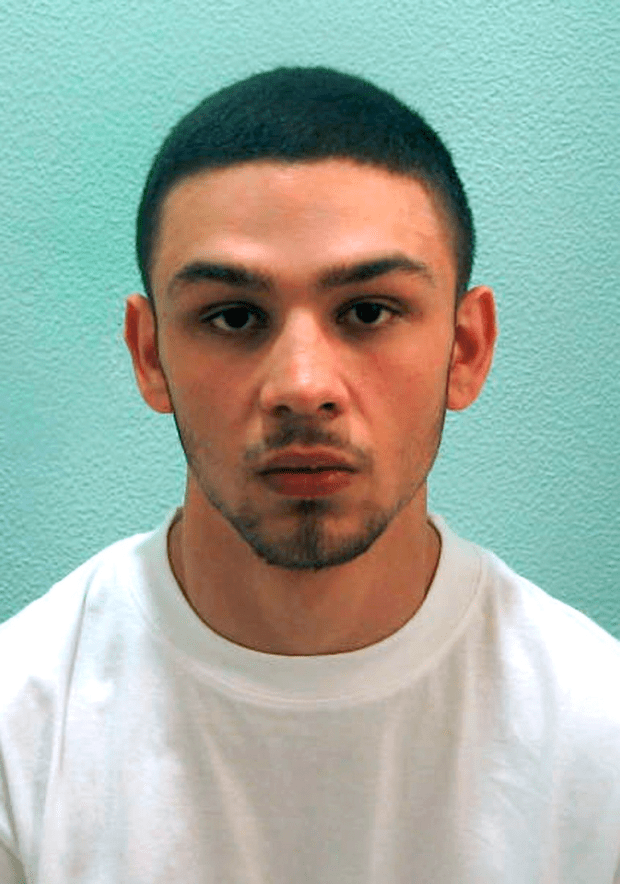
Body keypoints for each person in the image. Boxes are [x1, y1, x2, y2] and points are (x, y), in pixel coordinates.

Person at [1, 66, 619, 884]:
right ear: (150, 354)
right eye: (233, 316)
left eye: (368, 312)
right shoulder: (18, 729)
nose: (302, 386)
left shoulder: (599, 733)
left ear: (466, 349)